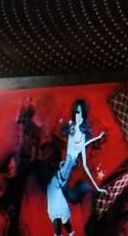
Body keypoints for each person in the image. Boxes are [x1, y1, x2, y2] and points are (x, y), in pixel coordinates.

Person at [47, 99, 105, 235]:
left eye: (81, 113)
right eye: (77, 112)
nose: (78, 116)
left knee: (60, 206)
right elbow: (61, 136)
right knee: (58, 206)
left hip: (63, 180)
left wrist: (96, 187)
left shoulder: (82, 140)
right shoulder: (71, 128)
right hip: (60, 178)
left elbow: (84, 160)